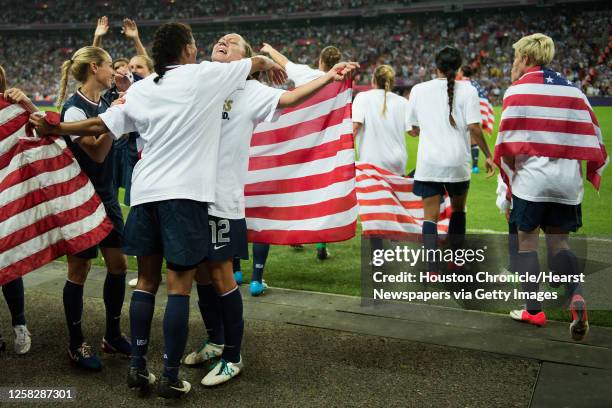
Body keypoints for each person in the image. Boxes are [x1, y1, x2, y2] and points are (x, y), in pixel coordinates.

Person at [30, 22, 287, 399]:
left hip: (144, 194)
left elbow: (101, 124)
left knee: (146, 283)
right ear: (186, 50)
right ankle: (169, 373)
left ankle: (137, 367)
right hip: (184, 196)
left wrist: (58, 129)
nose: (199, 50)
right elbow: (255, 62)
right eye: (195, 45)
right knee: (179, 286)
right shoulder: (205, 76)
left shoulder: (143, 88)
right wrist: (268, 61)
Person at [181, 33, 356, 386]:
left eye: (232, 42)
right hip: (189, 197)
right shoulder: (199, 77)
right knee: (200, 273)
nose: (223, 42)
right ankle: (215, 341)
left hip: (222, 200)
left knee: (221, 276)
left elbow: (292, 98)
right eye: (220, 39)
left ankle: (233, 355)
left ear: (245, 60)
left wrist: (328, 75)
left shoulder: (253, 92)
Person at [497, 33, 606, 341]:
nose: (514, 62)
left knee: (527, 244)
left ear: (527, 59)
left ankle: (533, 309)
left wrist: (507, 185)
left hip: (532, 183)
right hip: (566, 183)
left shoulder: (516, 92)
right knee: (561, 246)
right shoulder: (575, 91)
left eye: (516, 57)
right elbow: (593, 138)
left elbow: (506, 146)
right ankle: (576, 296)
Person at [237, 43, 342, 296]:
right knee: (268, 212)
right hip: (300, 151)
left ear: (320, 60)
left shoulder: (221, 91)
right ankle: (256, 278)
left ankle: (234, 269)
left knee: (239, 211)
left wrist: (269, 51)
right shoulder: (264, 93)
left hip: (245, 158)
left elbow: (284, 64)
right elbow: (289, 97)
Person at [55, 45, 132, 371]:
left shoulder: (101, 102)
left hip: (107, 197)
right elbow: (98, 155)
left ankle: (112, 335)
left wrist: (113, 111)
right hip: (82, 201)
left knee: (118, 266)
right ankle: (75, 344)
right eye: (107, 65)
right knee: (79, 271)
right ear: (94, 69)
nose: (112, 71)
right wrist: (115, 118)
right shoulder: (73, 110)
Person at [408, 46, 495, 275]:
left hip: (429, 163)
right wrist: (489, 156)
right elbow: (475, 128)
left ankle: (431, 268)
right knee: (458, 210)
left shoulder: (418, 89)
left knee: (430, 217)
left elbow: (413, 129)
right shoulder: (468, 91)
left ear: (435, 65)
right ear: (458, 68)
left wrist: (426, 128)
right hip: (458, 163)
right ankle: (456, 260)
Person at [352, 64, 411, 258]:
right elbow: (413, 131)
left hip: (372, 160)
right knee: (394, 205)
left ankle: (378, 256)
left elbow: (355, 126)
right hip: (397, 161)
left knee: (374, 209)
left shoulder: (362, 98)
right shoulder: (402, 102)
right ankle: (395, 245)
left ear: (373, 80)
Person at [0, 65, 33, 355]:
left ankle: (19, 324)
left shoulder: (11, 111)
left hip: (5, 198)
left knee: (9, 264)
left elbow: (44, 128)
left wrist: (26, 103)